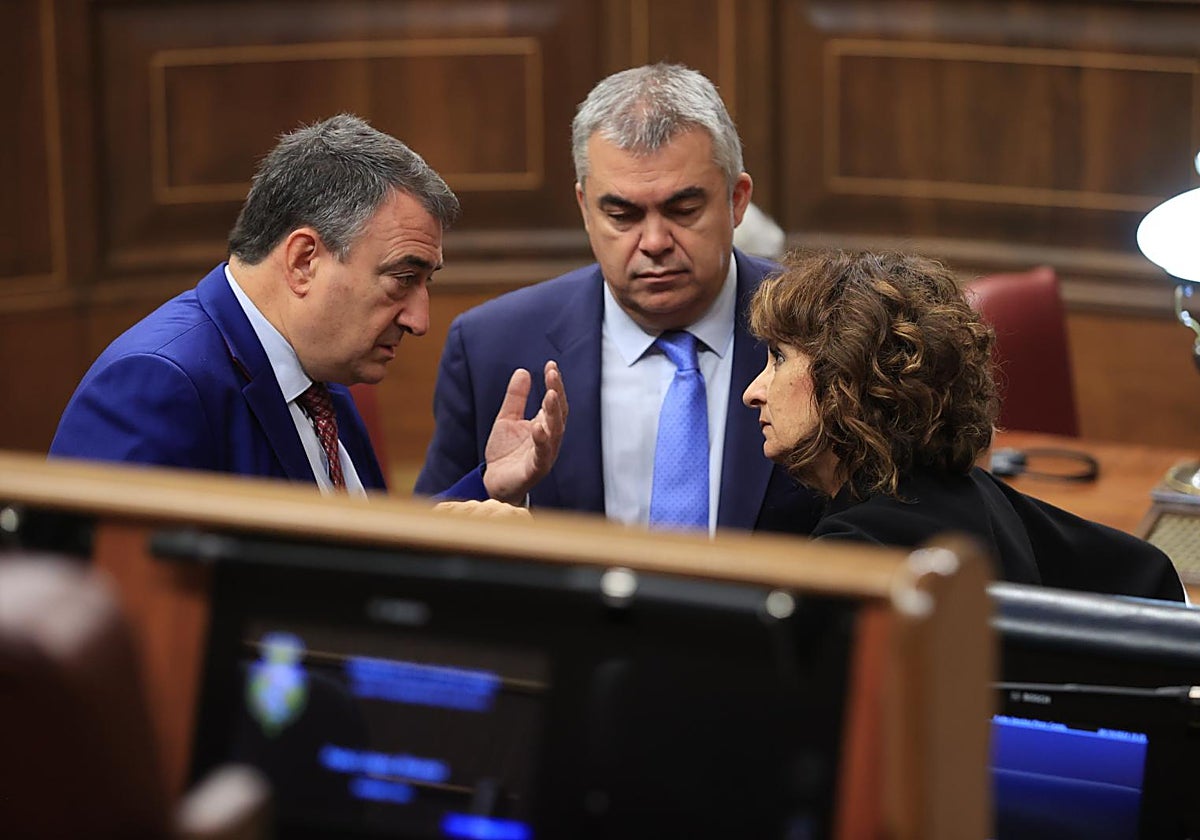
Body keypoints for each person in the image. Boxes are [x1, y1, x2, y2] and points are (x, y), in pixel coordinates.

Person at [50, 114, 565, 506]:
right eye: (403, 279)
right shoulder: (156, 384)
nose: (420, 320)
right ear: (303, 261)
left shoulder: (318, 372)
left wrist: (488, 485)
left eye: (426, 282)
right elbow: (113, 601)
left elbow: (357, 560)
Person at [416, 63, 819, 535]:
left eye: (683, 210)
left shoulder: (820, 330)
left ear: (737, 200)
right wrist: (500, 495)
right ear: (585, 209)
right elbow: (421, 537)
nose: (654, 242)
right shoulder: (491, 347)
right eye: (623, 215)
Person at [742, 248, 1185, 601]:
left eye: (779, 357)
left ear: (846, 379)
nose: (753, 392)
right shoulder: (972, 493)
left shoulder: (853, 558)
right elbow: (1151, 577)